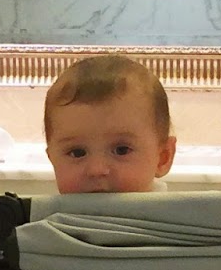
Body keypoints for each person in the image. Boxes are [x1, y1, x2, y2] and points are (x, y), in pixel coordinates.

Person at [43, 53, 176, 194]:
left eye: (121, 150)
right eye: (77, 153)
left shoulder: (177, 209)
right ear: (52, 160)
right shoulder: (39, 208)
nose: (96, 170)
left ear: (163, 158)